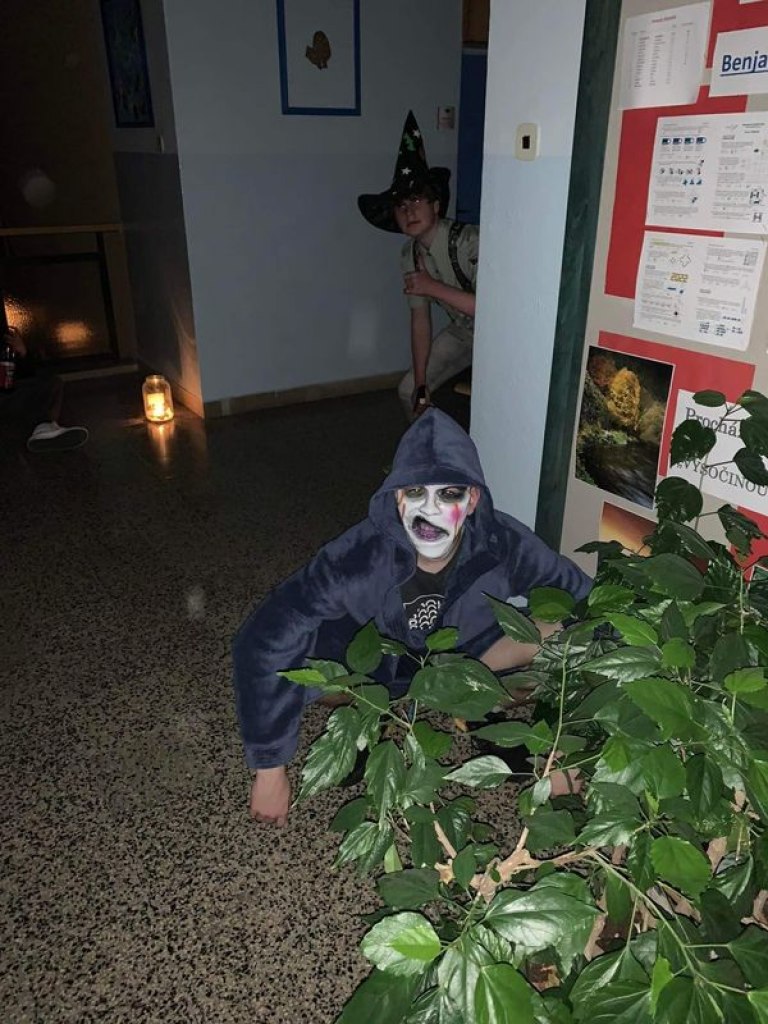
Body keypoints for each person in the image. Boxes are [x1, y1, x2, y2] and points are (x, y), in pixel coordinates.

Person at [233, 408, 591, 826]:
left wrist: (568, 743)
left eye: (450, 494)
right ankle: (370, 718)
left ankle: (479, 712)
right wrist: (270, 768)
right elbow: (263, 636)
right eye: (416, 492)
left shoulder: (503, 542)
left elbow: (587, 603)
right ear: (397, 498)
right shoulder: (358, 557)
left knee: (562, 636)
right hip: (375, 668)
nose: (430, 511)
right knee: (299, 659)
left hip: (464, 657)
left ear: (473, 500)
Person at [358, 111, 478, 420]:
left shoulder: (469, 241)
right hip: (464, 333)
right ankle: (424, 447)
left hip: (503, 337)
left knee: (492, 407)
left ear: (436, 205)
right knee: (409, 391)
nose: (409, 211)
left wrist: (432, 287)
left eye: (416, 201)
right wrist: (422, 383)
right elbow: (420, 320)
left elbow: (493, 312)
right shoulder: (409, 255)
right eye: (401, 205)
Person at [0, 327, 88, 452]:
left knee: (53, 383)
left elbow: (26, 375)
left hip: (11, 389)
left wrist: (23, 352)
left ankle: (47, 427)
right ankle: (44, 427)